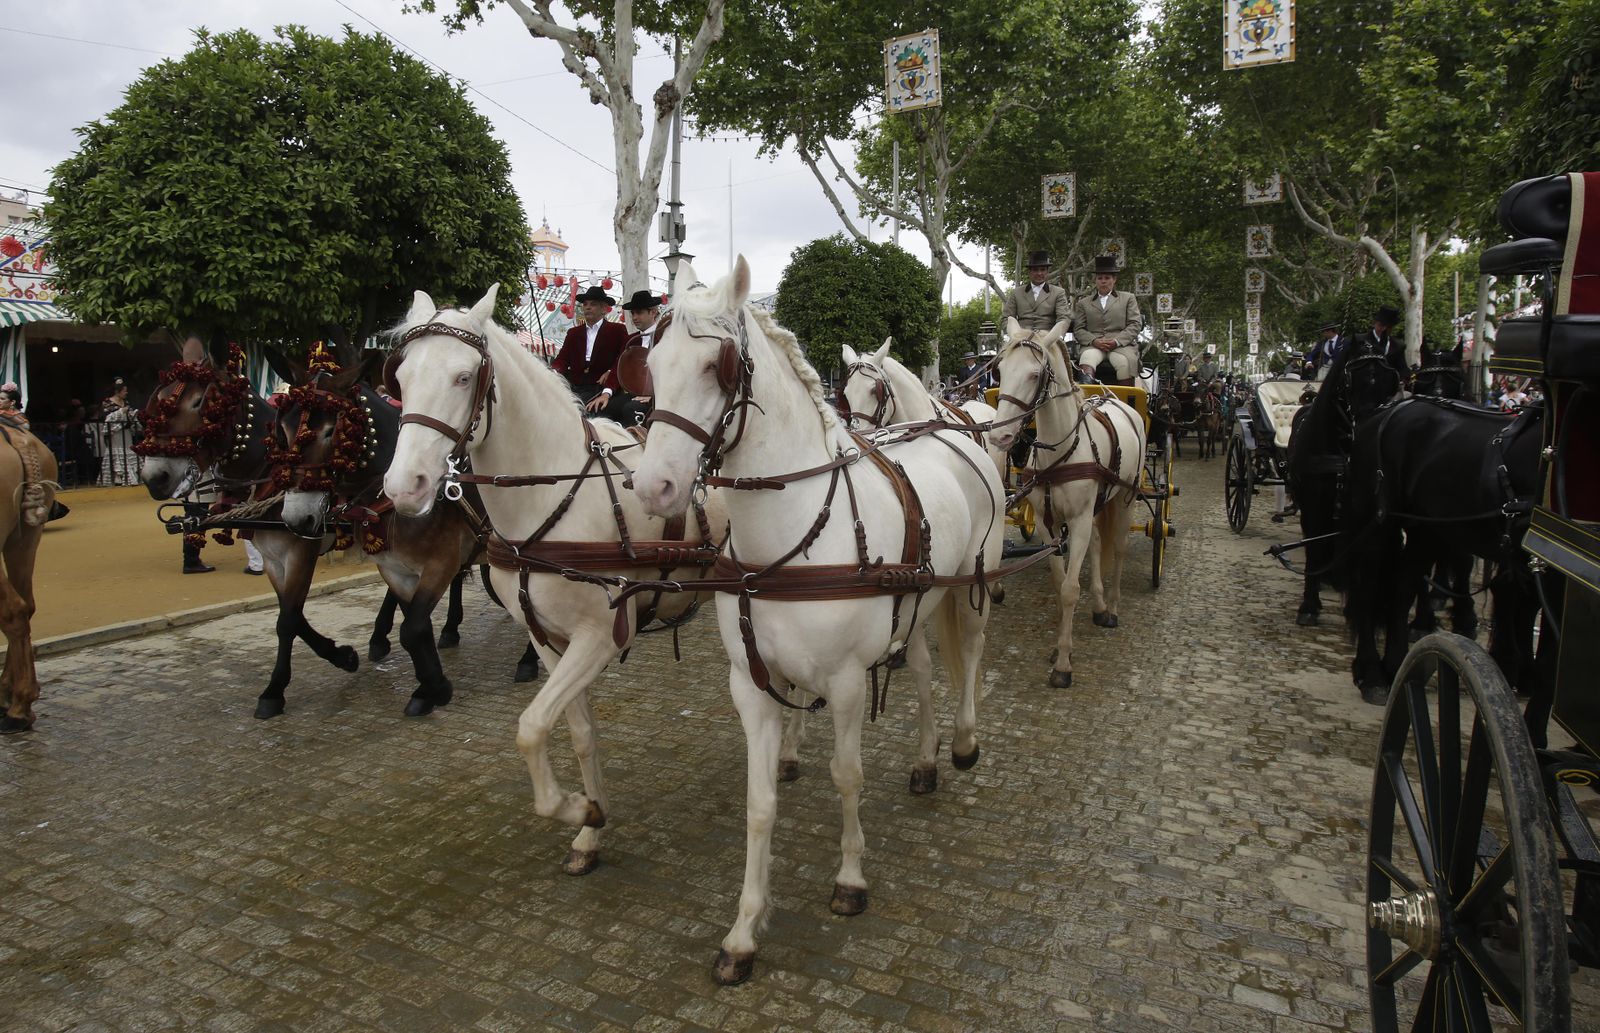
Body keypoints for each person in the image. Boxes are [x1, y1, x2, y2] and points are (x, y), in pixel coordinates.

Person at [552, 284, 629, 419]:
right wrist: (552, 373)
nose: (587, 307)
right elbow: (562, 359)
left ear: (604, 309)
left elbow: (621, 360)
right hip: (575, 388)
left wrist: (609, 378)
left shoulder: (617, 330)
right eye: (585, 304)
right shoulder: (573, 333)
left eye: (592, 304)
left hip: (600, 389)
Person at [1072, 256, 1145, 385]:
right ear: (1095, 281)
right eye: (1100, 278)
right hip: (1093, 345)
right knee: (1087, 360)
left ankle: (1124, 402)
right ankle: (1085, 400)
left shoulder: (1128, 298)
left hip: (1121, 346)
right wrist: (1094, 341)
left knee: (1124, 364)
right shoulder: (1083, 303)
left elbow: (1135, 324)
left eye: (1107, 278)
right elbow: (1078, 328)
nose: (1103, 281)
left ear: (1114, 279)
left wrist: (1116, 341)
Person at [611, 289, 661, 422]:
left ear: (653, 312)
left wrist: (654, 395)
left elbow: (672, 372)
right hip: (632, 393)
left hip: (659, 396)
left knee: (631, 409)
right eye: (633, 313)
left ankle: (637, 442)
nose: (634, 317)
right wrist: (606, 393)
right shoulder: (630, 340)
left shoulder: (665, 338)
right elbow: (618, 367)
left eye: (639, 312)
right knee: (604, 408)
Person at [1001, 251, 1071, 334]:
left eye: (1042, 270)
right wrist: (1014, 334)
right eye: (1035, 270)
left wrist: (1057, 336)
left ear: (1047, 271)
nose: (1039, 273)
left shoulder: (1058, 292)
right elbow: (1006, 318)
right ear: (1029, 272)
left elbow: (1064, 318)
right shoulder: (1016, 293)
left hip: (1047, 338)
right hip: (1022, 338)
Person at [97, 377, 141, 486]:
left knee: (128, 451)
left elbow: (128, 415)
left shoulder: (125, 402)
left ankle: (131, 476)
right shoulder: (107, 403)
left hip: (126, 432)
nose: (126, 392)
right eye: (124, 390)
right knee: (117, 452)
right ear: (117, 391)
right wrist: (121, 412)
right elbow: (107, 419)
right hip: (115, 433)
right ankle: (118, 477)